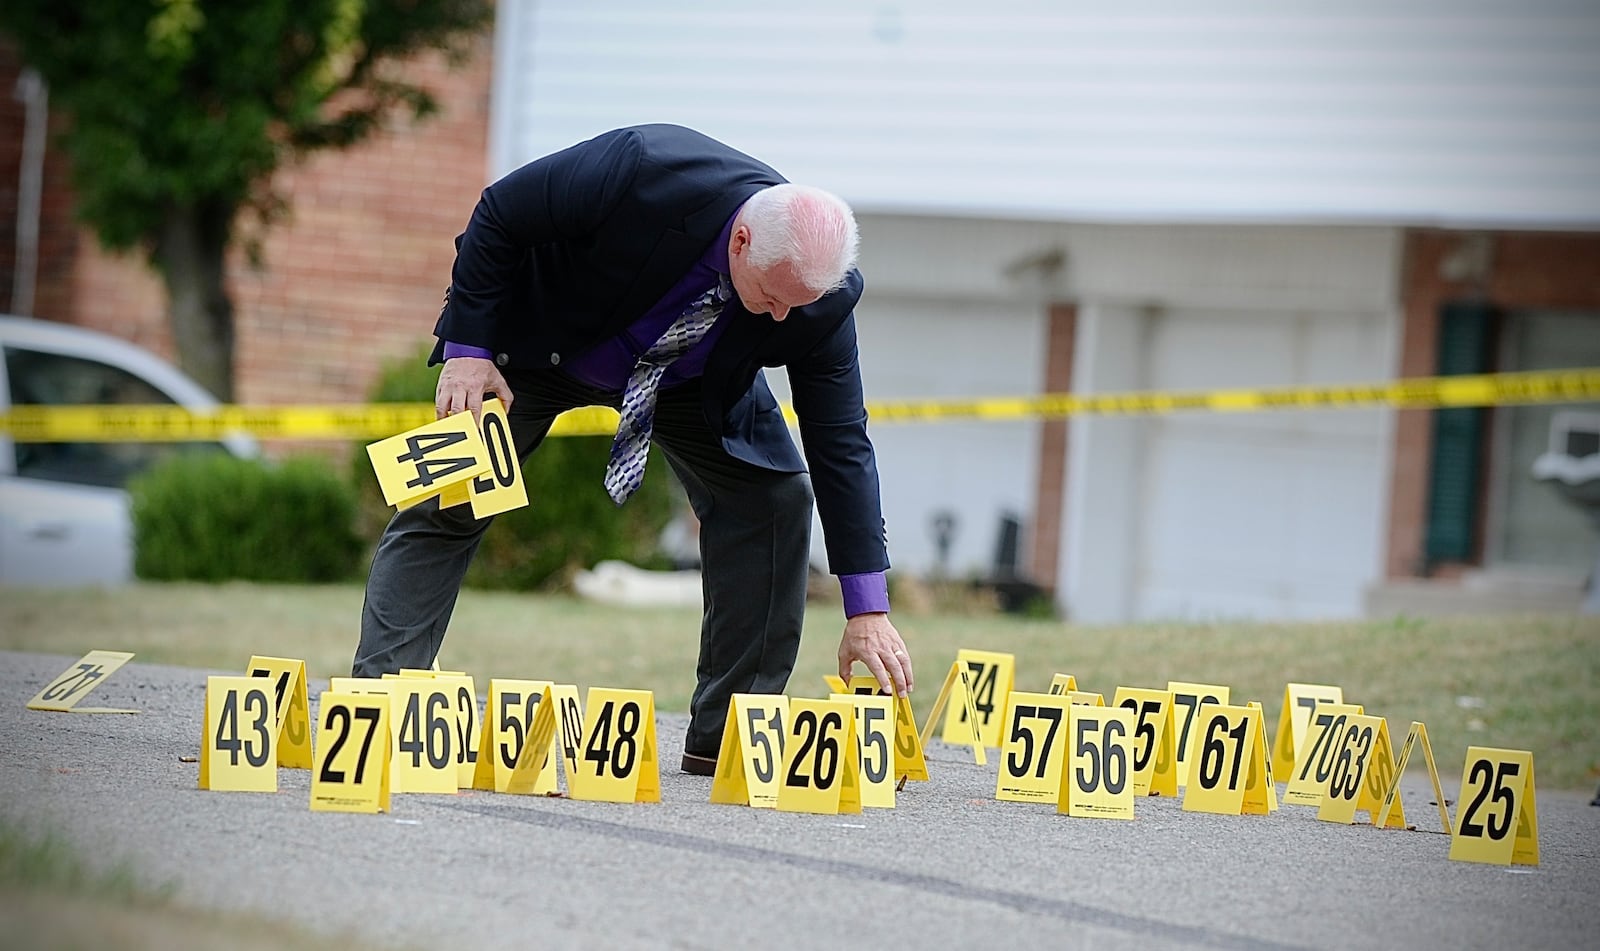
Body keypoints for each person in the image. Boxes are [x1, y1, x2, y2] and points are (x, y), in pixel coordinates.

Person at [352, 124, 914, 774]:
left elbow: (840, 441)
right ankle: (379, 704)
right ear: (741, 241)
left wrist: (866, 607)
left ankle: (730, 734)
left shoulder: (817, 301)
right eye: (771, 298)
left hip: (691, 381)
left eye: (799, 305)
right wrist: (468, 353)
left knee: (775, 497)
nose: (782, 319)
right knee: (447, 498)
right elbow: (500, 214)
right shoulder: (643, 169)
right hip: (540, 345)